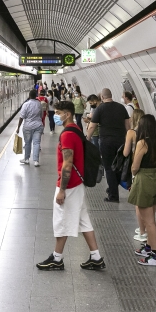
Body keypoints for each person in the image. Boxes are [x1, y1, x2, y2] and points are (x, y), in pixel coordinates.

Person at [36, 101, 105, 271]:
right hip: (78, 183)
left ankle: (57, 259)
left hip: (70, 185)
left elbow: (68, 163)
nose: (56, 116)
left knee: (61, 221)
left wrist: (62, 190)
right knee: (83, 221)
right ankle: (96, 257)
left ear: (67, 114)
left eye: (58, 113)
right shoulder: (76, 129)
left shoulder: (67, 135)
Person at [128, 114, 156, 266]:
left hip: (144, 179)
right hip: (155, 178)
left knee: (149, 222)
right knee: (151, 218)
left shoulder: (142, 143)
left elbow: (135, 166)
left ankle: (155, 256)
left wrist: (132, 172)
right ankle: (149, 248)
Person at [86, 88, 130, 202]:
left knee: (109, 168)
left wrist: (87, 139)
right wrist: (129, 140)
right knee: (119, 166)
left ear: (102, 97)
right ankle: (113, 188)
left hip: (106, 142)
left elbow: (92, 126)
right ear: (111, 95)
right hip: (121, 141)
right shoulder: (121, 108)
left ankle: (113, 195)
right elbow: (128, 125)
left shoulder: (100, 109)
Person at [123, 109, 146, 240]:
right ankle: (145, 226)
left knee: (138, 200)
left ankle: (142, 231)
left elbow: (126, 152)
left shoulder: (131, 132)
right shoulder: (148, 133)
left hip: (135, 166)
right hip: (148, 168)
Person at [16, 89, 44, 167]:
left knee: (27, 143)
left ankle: (27, 159)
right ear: (36, 96)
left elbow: (22, 117)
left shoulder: (26, 104)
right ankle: (36, 161)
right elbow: (41, 115)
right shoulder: (39, 104)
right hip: (38, 126)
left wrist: (18, 127)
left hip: (27, 127)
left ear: (29, 96)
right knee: (37, 143)